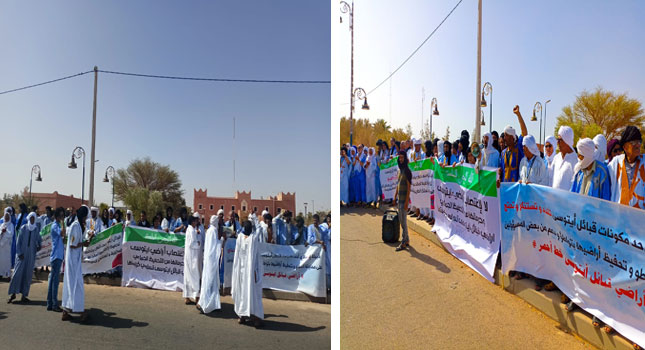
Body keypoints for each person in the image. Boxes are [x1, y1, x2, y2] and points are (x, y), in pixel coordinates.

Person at [567, 138, 612, 329]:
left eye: (580, 154)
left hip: (595, 230)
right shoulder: (578, 171)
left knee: (595, 268)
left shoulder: (602, 172)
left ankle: (597, 309)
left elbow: (606, 203)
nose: (578, 157)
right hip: (579, 227)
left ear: (587, 154)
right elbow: (572, 195)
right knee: (578, 264)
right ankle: (578, 299)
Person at [61, 205, 94, 322]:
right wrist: (83, 243)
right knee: (76, 285)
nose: (85, 219)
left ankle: (66, 311)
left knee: (71, 284)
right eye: (85, 217)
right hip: (72, 261)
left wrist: (89, 239)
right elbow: (72, 244)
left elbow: (80, 242)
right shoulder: (75, 226)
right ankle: (80, 311)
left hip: (76, 260)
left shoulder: (79, 226)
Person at [231, 220, 264, 328]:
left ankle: (256, 317)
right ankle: (242, 315)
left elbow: (257, 258)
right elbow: (237, 256)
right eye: (247, 227)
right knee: (242, 294)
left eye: (250, 228)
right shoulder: (240, 238)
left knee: (253, 295)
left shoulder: (254, 239)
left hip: (251, 273)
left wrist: (257, 273)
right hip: (241, 271)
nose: (248, 229)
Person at [7, 212, 42, 304]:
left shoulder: (36, 229)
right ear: (29, 218)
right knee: (17, 274)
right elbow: (18, 242)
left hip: (31, 255)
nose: (32, 220)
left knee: (27, 275)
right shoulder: (23, 228)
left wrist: (39, 246)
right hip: (21, 255)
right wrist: (19, 253)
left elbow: (39, 240)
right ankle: (13, 294)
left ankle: (24, 295)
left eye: (34, 219)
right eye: (31, 218)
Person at [608, 126, 644, 209]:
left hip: (640, 217)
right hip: (618, 215)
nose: (638, 145)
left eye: (639, 141)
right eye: (633, 142)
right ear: (625, 147)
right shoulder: (615, 163)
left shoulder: (644, 162)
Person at [197, 215, 223, 314]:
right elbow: (214, 247)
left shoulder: (209, 230)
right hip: (212, 260)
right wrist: (222, 240)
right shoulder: (213, 231)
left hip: (208, 260)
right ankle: (205, 304)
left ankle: (213, 304)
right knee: (210, 282)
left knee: (209, 281)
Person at [499, 105, 529, 185]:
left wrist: (518, 114)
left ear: (512, 137)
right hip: (505, 187)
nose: (504, 138)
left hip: (516, 187)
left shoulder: (518, 148)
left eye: (506, 135)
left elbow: (524, 133)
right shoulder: (503, 153)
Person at [47, 207, 66, 312]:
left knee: (52, 281)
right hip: (56, 256)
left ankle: (50, 303)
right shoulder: (55, 226)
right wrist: (63, 222)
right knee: (55, 282)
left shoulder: (57, 225)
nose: (62, 217)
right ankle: (54, 304)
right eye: (61, 215)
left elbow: (64, 236)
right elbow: (62, 233)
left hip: (58, 255)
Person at [393, 150, 412, 251]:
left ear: (405, 158)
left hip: (404, 200)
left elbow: (409, 188)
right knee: (401, 220)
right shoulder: (400, 170)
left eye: (402, 158)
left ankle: (404, 242)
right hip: (399, 199)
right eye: (399, 158)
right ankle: (407, 239)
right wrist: (395, 196)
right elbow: (398, 183)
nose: (400, 159)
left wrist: (406, 202)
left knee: (403, 221)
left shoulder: (407, 171)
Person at [183, 215, 203, 305]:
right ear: (192, 222)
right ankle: (197, 298)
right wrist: (198, 244)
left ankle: (187, 297)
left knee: (188, 277)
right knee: (195, 277)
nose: (196, 222)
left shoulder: (190, 229)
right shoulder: (191, 230)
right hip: (192, 257)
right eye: (195, 221)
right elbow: (191, 244)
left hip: (190, 257)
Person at [551, 126, 578, 191]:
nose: (557, 143)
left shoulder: (575, 161)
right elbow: (550, 179)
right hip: (553, 199)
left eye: (560, 140)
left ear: (567, 141)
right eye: (557, 140)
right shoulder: (556, 158)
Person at [0, 208, 15, 278]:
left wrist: (5, 232)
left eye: (7, 217)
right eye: (5, 217)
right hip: (1, 247)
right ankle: (0, 274)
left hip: (7, 247)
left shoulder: (11, 225)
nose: (6, 218)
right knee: (1, 261)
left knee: (7, 261)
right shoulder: (2, 224)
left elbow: (11, 234)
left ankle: (7, 275)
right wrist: (1, 232)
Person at [319, 214, 331, 289]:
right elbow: (322, 236)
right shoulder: (322, 226)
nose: (329, 220)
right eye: (328, 218)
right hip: (324, 247)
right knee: (326, 266)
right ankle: (326, 286)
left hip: (330, 247)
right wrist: (328, 228)